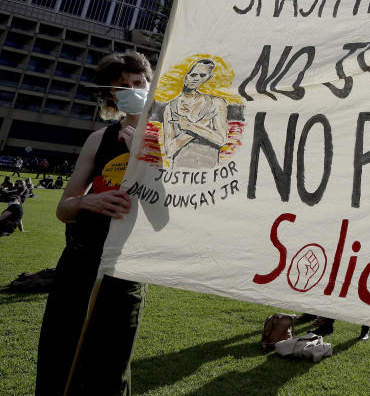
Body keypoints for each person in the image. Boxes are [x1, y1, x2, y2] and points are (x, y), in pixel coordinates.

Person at [36, 50, 153, 396]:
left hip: (125, 268)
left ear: (150, 84)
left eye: (139, 82)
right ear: (111, 97)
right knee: (59, 359)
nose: (133, 90)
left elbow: (168, 214)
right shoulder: (97, 139)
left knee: (109, 369)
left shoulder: (167, 140)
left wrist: (142, 156)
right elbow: (64, 208)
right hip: (79, 261)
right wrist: (89, 200)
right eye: (123, 87)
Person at [162, 58, 228, 168]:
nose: (197, 79)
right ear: (184, 74)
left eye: (202, 76)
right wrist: (200, 125)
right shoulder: (171, 107)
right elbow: (169, 150)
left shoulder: (217, 103)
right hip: (179, 172)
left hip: (210, 171)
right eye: (193, 75)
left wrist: (190, 126)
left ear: (209, 77)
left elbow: (221, 140)